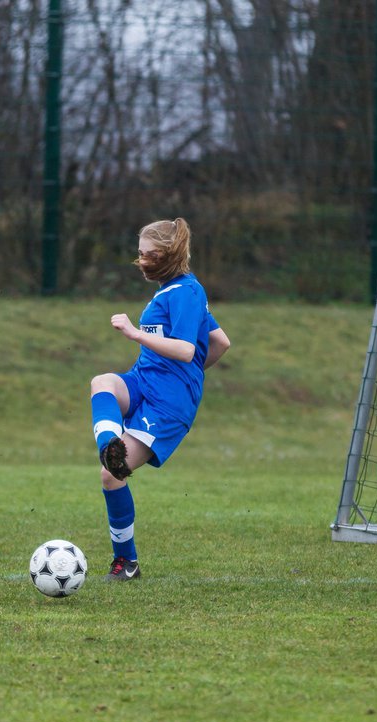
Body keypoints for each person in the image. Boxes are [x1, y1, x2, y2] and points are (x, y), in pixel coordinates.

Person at [89, 218, 230, 581]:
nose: (140, 261)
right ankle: (110, 446)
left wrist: (136, 334)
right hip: (143, 381)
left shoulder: (185, 292)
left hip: (166, 404)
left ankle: (127, 563)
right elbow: (220, 343)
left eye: (146, 254)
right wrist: (193, 375)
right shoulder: (176, 289)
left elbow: (185, 349)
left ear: (165, 255)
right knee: (102, 382)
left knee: (110, 477)